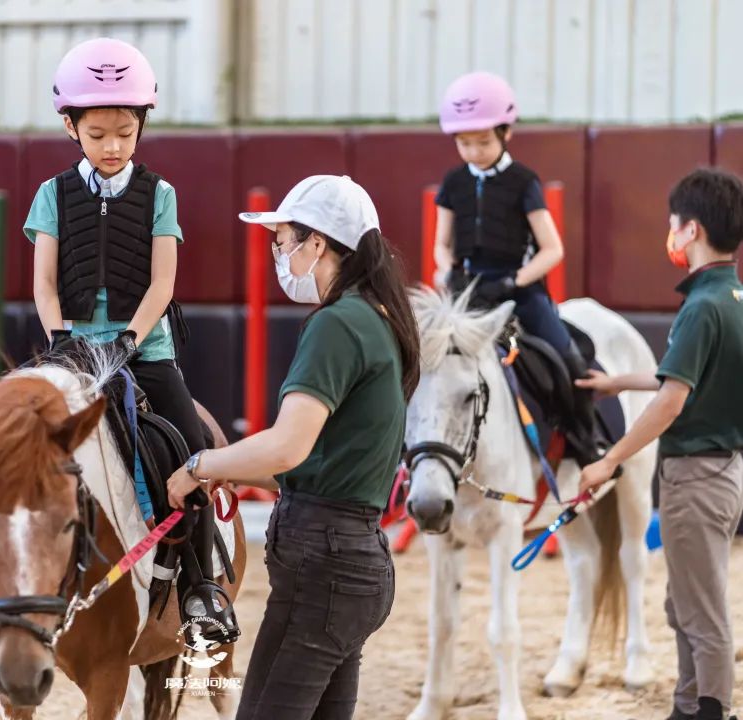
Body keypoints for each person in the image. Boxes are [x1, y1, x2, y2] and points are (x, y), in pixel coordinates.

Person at [0, 39, 227, 641]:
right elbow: (44, 283)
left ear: (141, 127)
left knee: (189, 444)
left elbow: (163, 283)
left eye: (125, 133)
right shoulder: (52, 195)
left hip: (145, 348)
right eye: (98, 132)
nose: (112, 146)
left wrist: (132, 338)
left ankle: (200, 587)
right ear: (70, 125)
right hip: (72, 345)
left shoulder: (161, 196)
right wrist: (60, 336)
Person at [166, 175, 419, 719]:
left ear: (318, 243)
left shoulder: (338, 323)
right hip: (356, 560)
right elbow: (319, 464)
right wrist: (235, 470)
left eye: (283, 241)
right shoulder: (379, 319)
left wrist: (200, 463)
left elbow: (286, 446)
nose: (279, 254)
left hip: (323, 565)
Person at [579, 169, 743, 720]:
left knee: (702, 613)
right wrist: (616, 382)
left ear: (690, 229)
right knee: (686, 604)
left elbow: (673, 400)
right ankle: (688, 703)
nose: (669, 233)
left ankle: (709, 708)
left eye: (673, 224)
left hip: (696, 477)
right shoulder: (731, 296)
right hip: (721, 473)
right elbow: (683, 377)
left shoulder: (701, 308)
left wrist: (609, 459)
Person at [433, 70, 606, 469]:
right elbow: (441, 245)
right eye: (464, 143)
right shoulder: (453, 182)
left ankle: (585, 440)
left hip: (520, 289)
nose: (473, 151)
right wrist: (452, 271)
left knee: (567, 358)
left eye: (482, 142)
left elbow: (552, 250)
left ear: (506, 133)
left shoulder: (524, 181)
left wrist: (513, 281)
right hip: (468, 290)